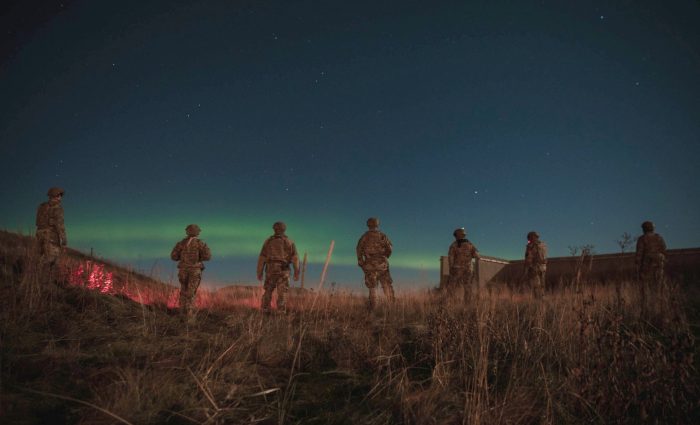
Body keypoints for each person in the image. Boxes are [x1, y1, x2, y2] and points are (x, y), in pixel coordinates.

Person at [171, 224, 211, 321]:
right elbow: (208, 256)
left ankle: (181, 314)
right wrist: (198, 259)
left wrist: (184, 258)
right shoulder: (200, 243)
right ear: (196, 232)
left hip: (183, 271)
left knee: (183, 290)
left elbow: (174, 257)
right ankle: (189, 318)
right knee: (191, 293)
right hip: (194, 271)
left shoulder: (181, 243)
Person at [257, 222, 299, 314]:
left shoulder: (268, 241)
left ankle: (265, 309)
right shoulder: (289, 242)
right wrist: (296, 272)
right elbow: (295, 258)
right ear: (284, 229)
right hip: (283, 271)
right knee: (282, 292)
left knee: (268, 290)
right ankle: (280, 311)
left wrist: (259, 272)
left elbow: (262, 257)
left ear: (274, 229)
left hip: (270, 270)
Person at [356, 217, 395, 309]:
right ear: (377, 224)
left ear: (368, 225)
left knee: (372, 287)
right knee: (386, 285)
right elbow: (390, 249)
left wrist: (361, 261)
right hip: (382, 265)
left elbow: (358, 249)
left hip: (369, 264)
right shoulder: (383, 236)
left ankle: (374, 309)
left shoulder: (364, 236)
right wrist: (385, 256)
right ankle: (392, 307)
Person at [35, 187, 67, 281]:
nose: (60, 197)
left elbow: (37, 221)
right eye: (59, 195)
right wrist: (64, 239)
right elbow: (60, 225)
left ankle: (38, 278)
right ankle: (45, 280)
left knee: (41, 255)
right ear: (56, 196)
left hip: (39, 233)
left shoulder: (42, 206)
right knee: (52, 258)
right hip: (51, 235)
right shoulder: (58, 208)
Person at [635, 220, 667, 310]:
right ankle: (659, 304)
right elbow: (664, 250)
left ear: (644, 229)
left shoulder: (642, 239)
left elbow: (639, 254)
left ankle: (647, 306)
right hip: (659, 263)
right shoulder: (659, 238)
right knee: (658, 284)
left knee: (645, 286)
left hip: (647, 264)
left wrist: (637, 265)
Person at [446, 227, 480, 303]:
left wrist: (451, 269)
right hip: (468, 269)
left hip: (456, 269)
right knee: (467, 287)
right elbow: (477, 256)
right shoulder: (470, 244)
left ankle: (449, 303)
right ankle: (467, 304)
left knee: (451, 286)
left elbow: (450, 258)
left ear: (457, 235)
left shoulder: (453, 245)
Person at [524, 231, 547, 299]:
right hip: (543, 267)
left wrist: (525, 271)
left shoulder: (531, 246)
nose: (528, 240)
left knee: (535, 286)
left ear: (532, 237)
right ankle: (543, 299)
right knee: (542, 285)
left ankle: (537, 301)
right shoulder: (543, 245)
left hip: (535, 268)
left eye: (529, 238)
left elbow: (528, 259)